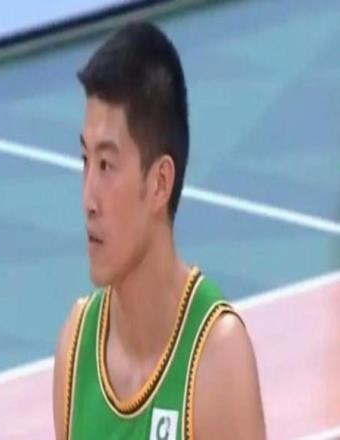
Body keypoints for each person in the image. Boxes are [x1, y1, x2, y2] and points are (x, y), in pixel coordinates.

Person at [53, 21, 266, 440]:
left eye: (107, 165)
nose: (88, 198)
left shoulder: (216, 357)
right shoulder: (76, 346)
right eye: (85, 160)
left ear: (159, 184)